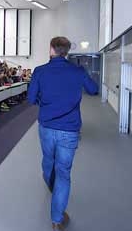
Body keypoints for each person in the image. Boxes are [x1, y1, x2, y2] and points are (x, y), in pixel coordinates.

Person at [28, 37, 99, 230]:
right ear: (66, 52)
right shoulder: (77, 71)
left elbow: (30, 98)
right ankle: (57, 220)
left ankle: (48, 180)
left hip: (46, 127)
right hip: (69, 129)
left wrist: (44, 102)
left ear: (51, 49)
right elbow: (94, 90)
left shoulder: (40, 71)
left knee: (48, 160)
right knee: (64, 173)